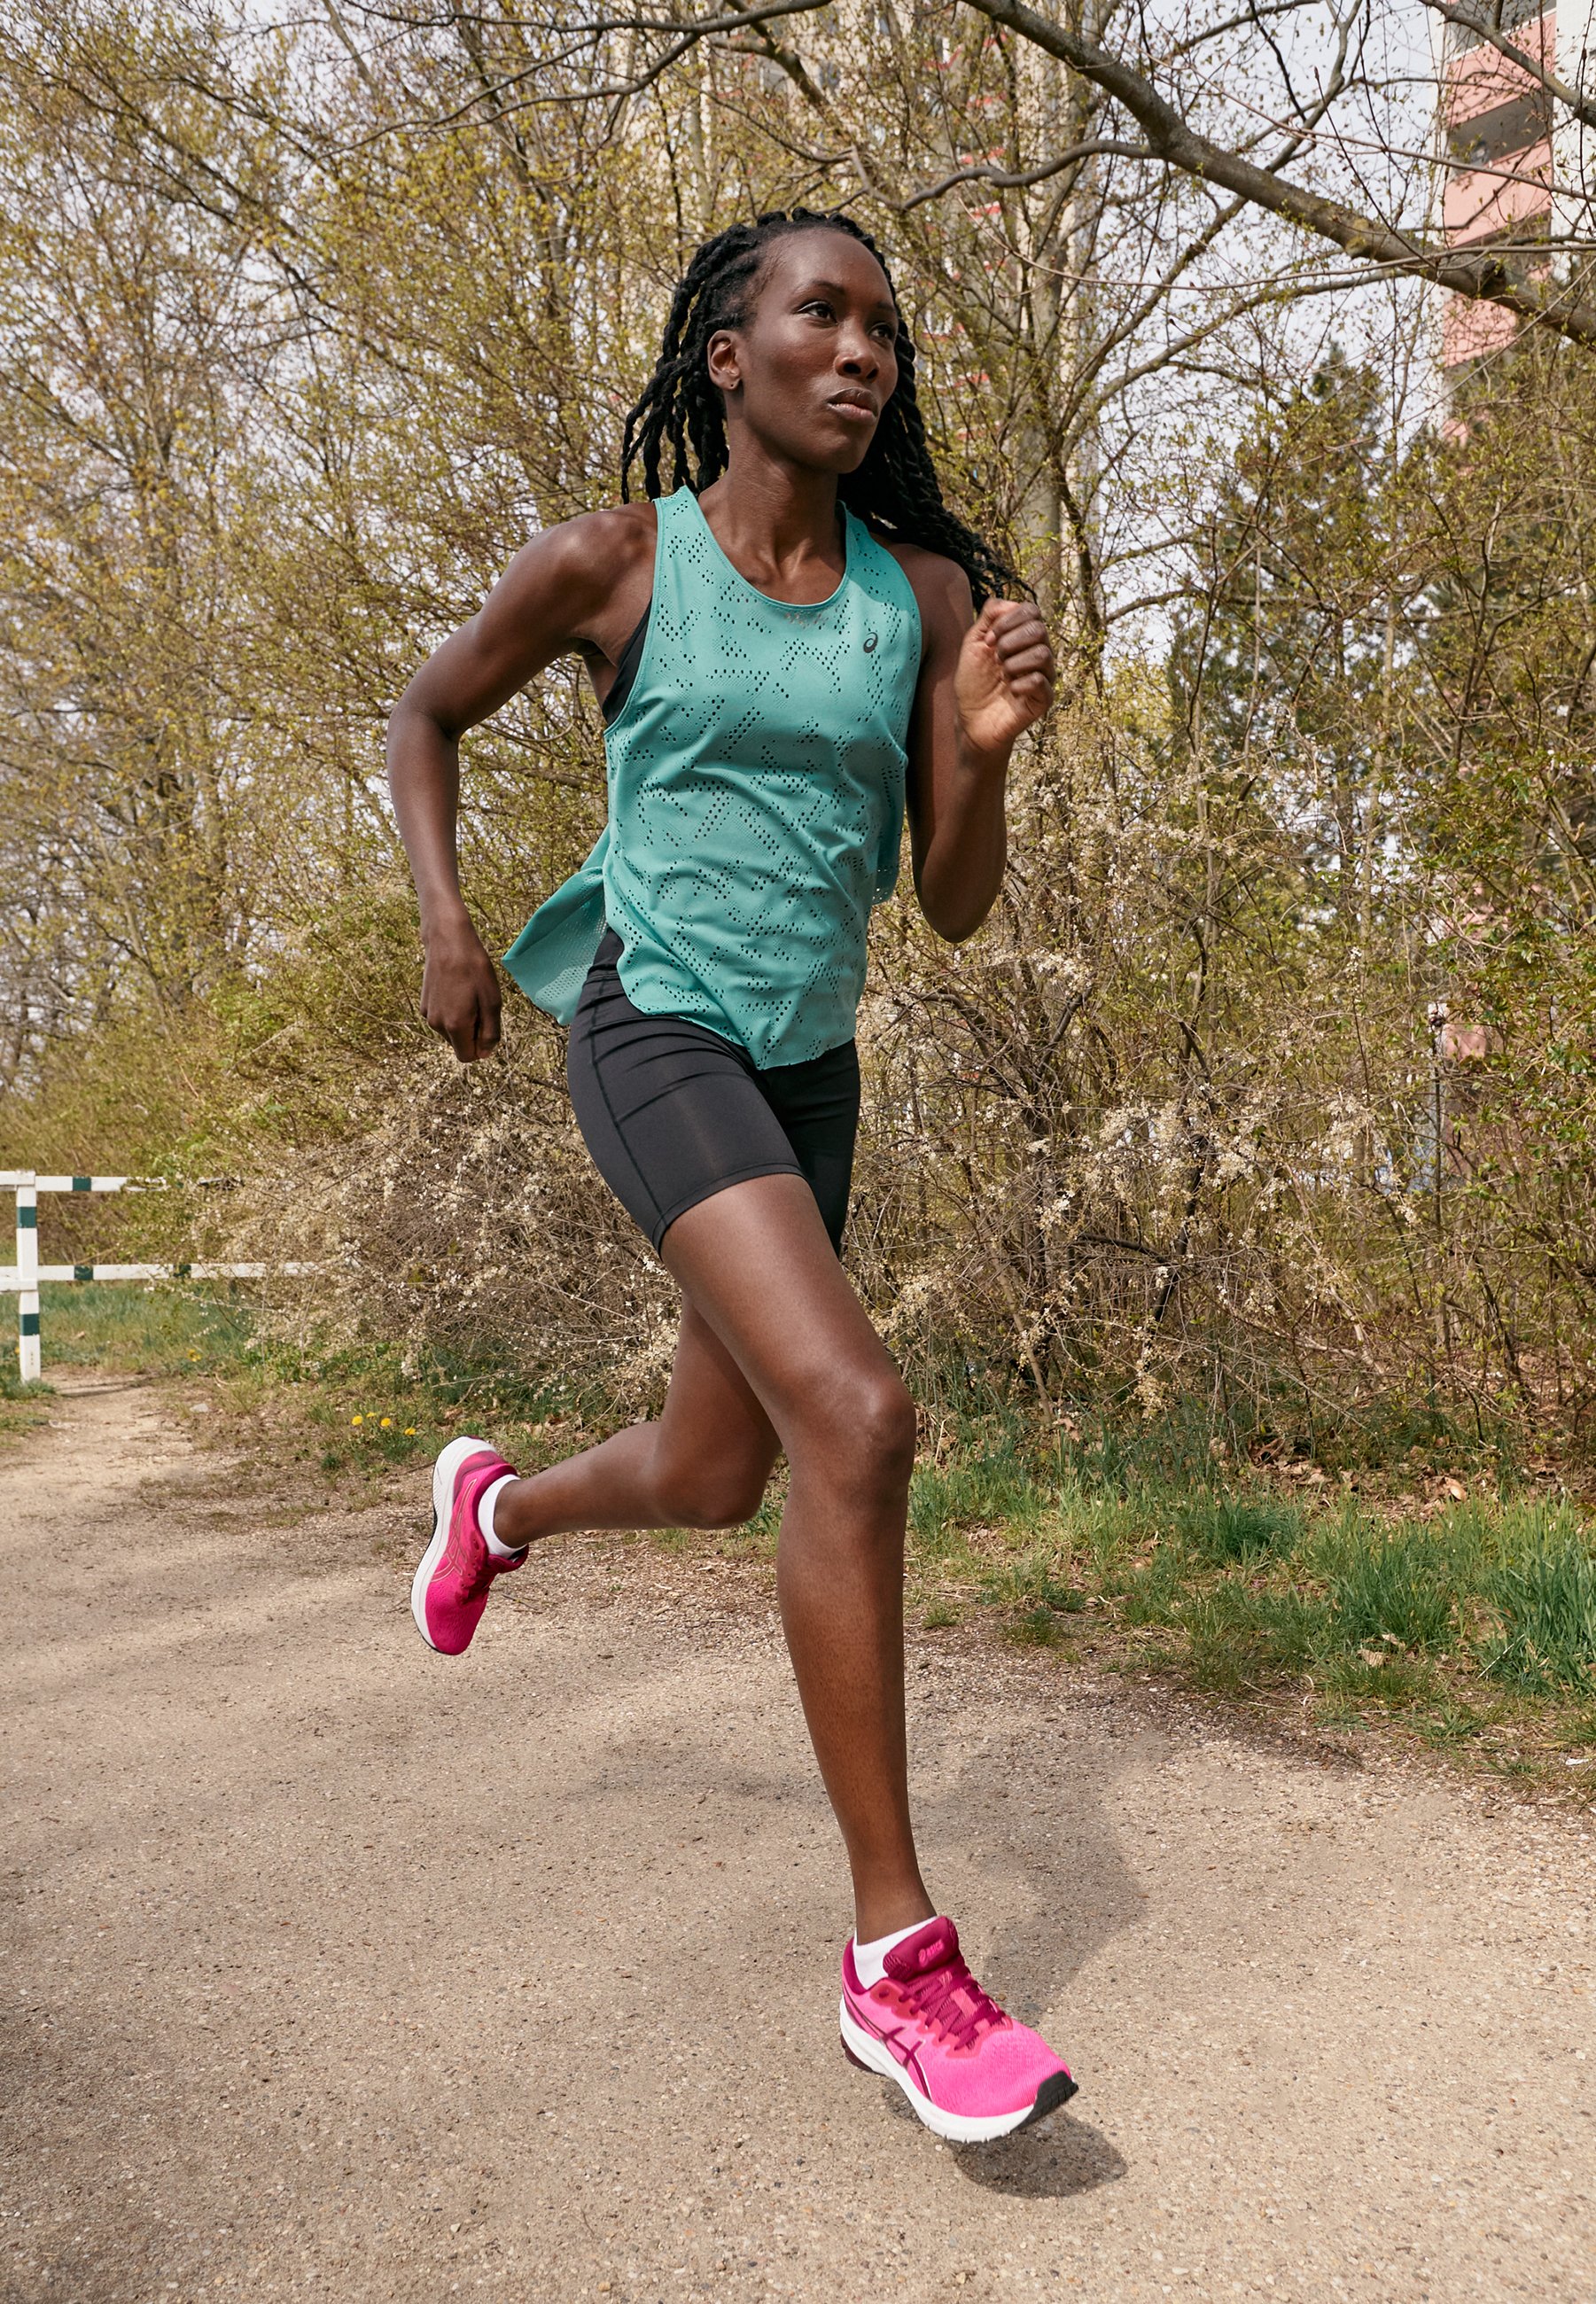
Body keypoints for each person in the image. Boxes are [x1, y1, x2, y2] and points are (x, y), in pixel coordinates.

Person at [386, 208, 1075, 2143]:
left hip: (807, 1067)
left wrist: (981, 750)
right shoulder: (616, 563)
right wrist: (446, 918)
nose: (859, 353)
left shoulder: (920, 598)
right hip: (654, 1024)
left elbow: (950, 904)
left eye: (883, 331)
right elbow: (425, 712)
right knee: (857, 1415)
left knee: (718, 1473)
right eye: (820, 316)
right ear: (728, 354)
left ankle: (496, 1505)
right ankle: (897, 1967)